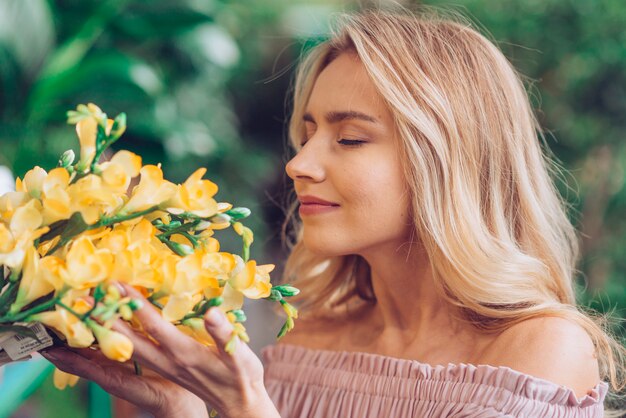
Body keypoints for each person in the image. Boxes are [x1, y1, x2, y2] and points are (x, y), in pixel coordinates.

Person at [42, 9, 625, 418]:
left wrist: (246, 406)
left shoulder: (537, 352)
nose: (299, 164)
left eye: (349, 139)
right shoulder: (311, 340)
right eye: (307, 133)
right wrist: (183, 408)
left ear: (447, 163)